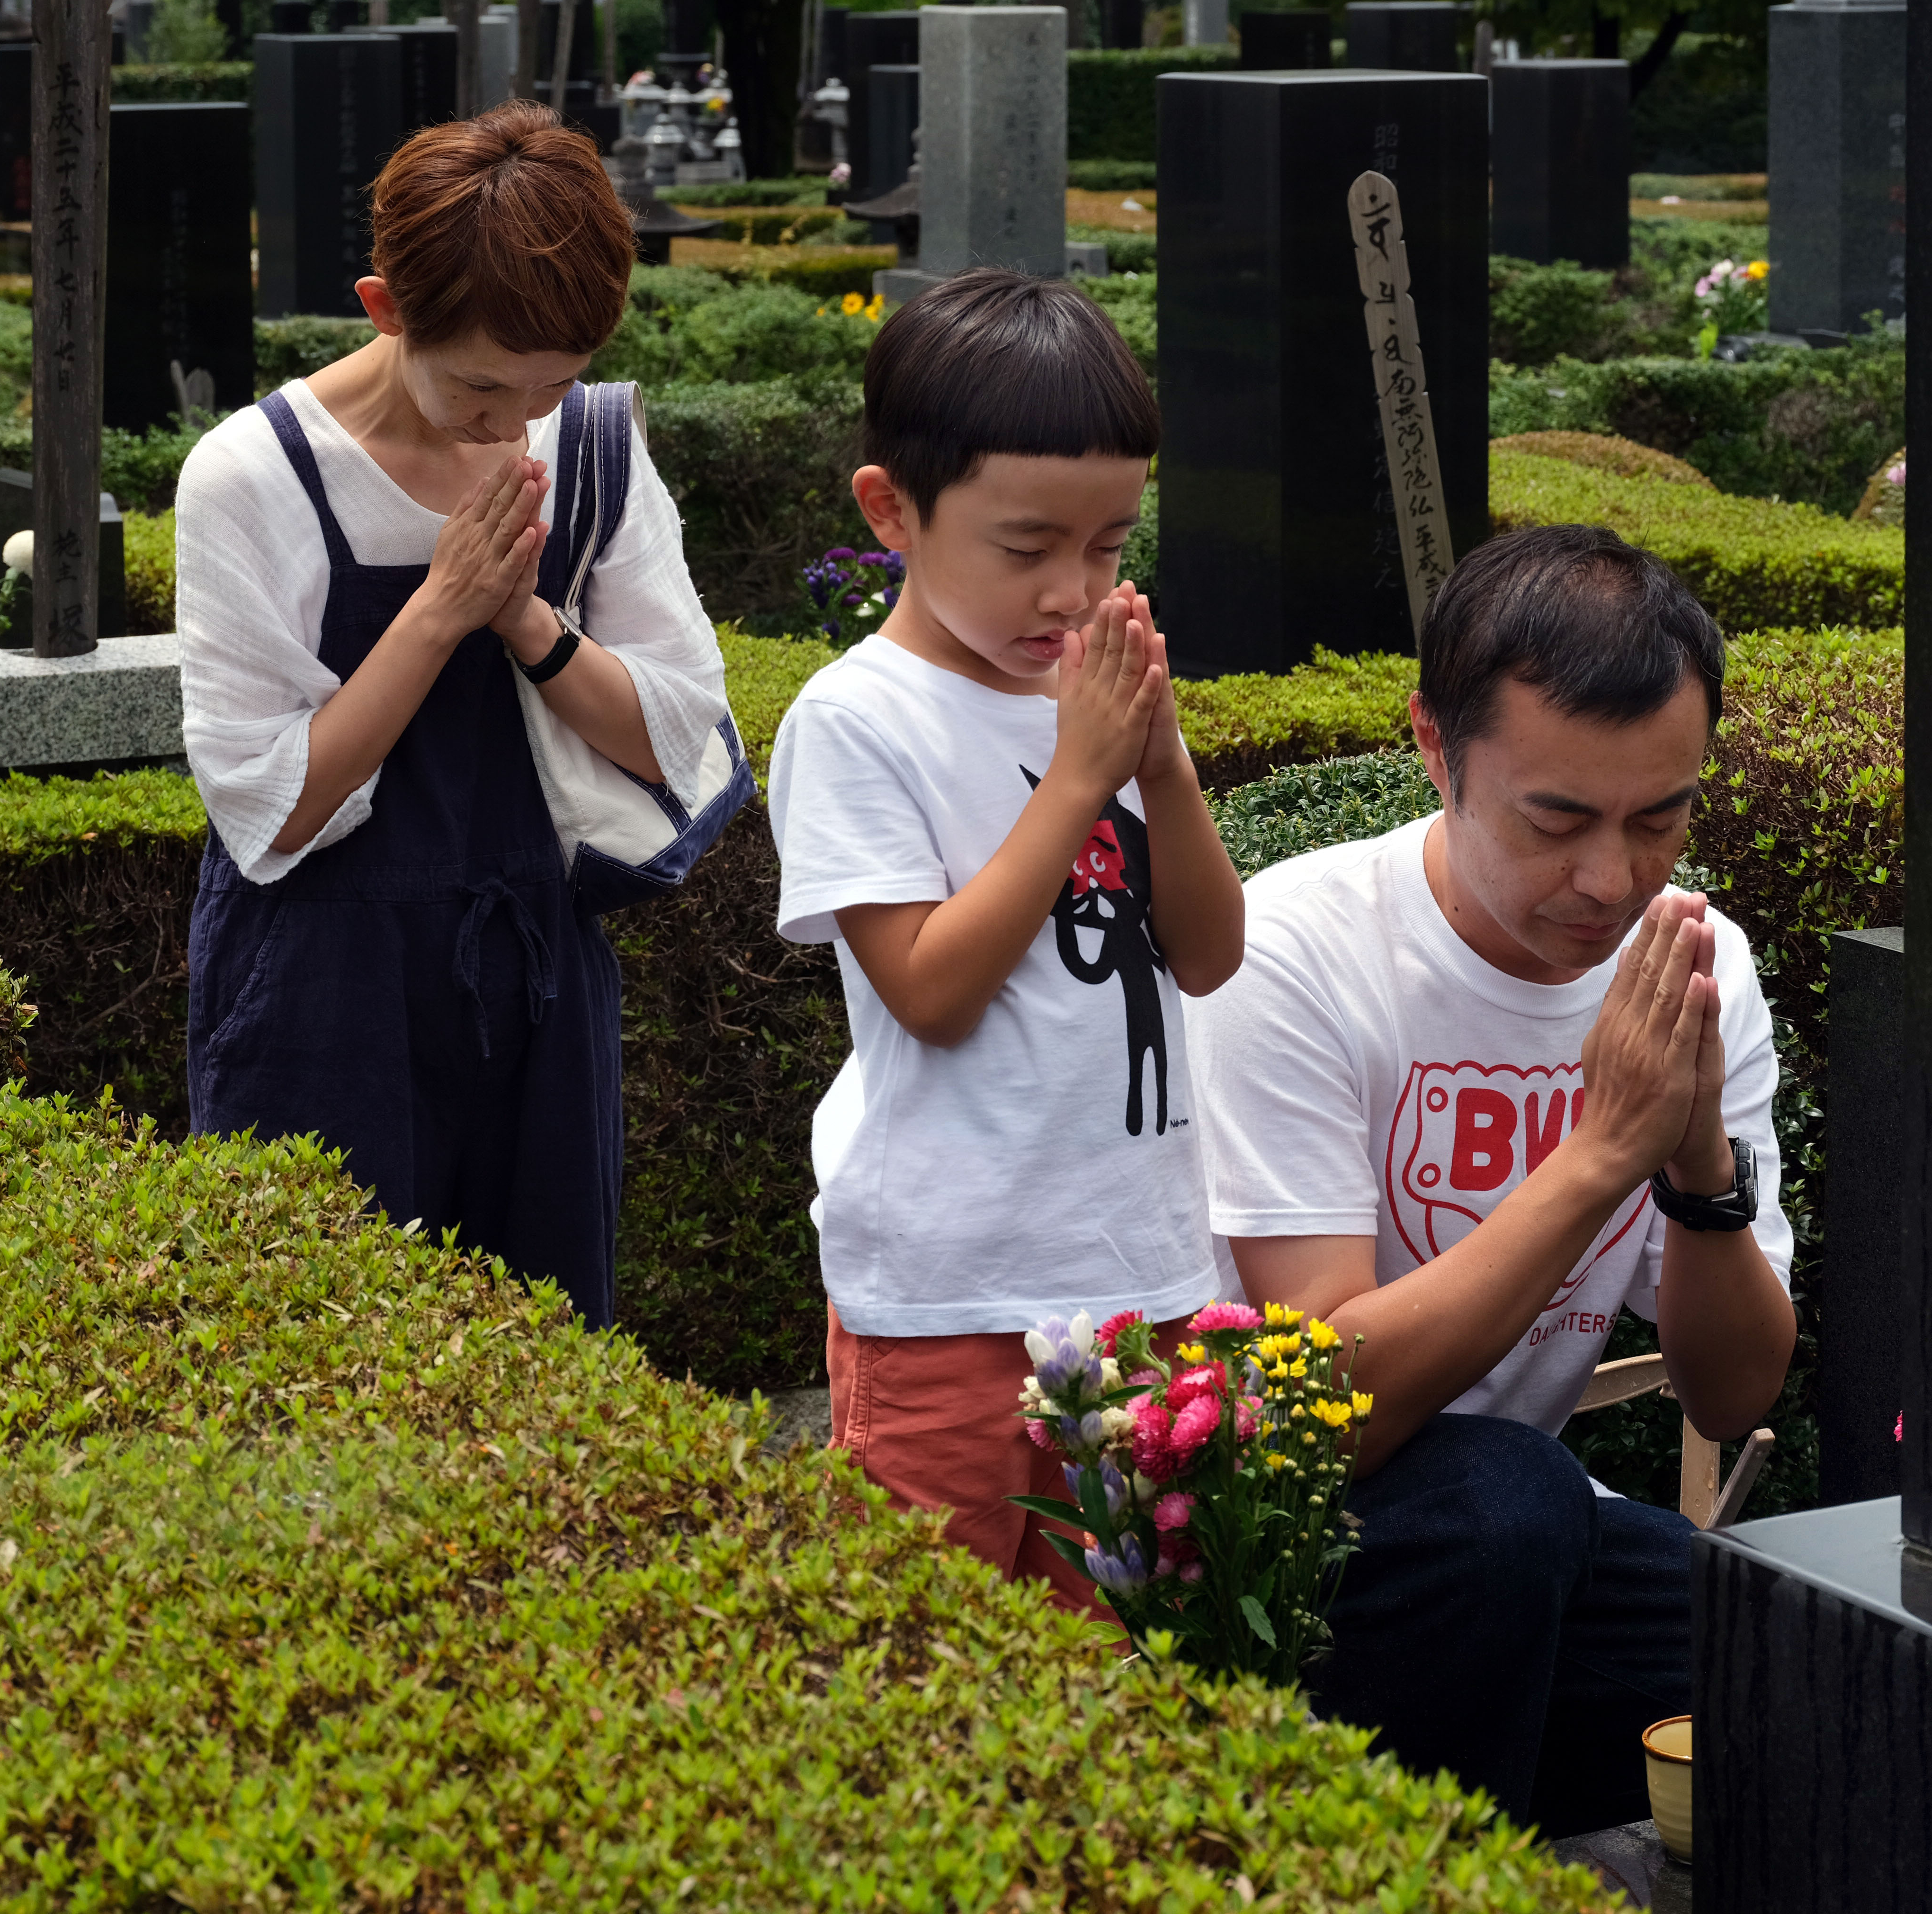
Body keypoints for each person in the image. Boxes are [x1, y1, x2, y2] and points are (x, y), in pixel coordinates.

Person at [1191, 525, 1792, 1835]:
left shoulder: (1697, 967)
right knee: (1503, 1508)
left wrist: (1696, 1162)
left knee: (1802, 1653)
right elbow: (1316, 1421)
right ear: (1433, 743)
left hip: (1514, 1544)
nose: (1611, 880)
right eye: (1557, 820)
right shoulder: (1293, 955)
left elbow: (1736, 1391)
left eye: (1661, 819)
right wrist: (1600, 1155)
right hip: (1264, 1544)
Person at [173, 103, 731, 1321]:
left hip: (535, 976)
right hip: (320, 989)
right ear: (385, 309)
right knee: (318, 1352)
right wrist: (440, 612)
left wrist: (529, 623)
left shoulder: (591, 448)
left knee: (549, 1353)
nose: (516, 422)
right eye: (481, 383)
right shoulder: (253, 476)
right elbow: (271, 809)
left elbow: (674, 732)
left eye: (554, 381)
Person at [768, 269, 1246, 1603]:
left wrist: (1163, 767)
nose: (1073, 591)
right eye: (1027, 547)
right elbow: (930, 992)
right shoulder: (858, 719)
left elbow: (1208, 957)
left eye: (1109, 546)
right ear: (892, 511)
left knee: (1121, 1639)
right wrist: (1086, 775)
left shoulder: (1090, 700)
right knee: (936, 1645)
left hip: (1137, 1273)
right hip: (949, 1301)